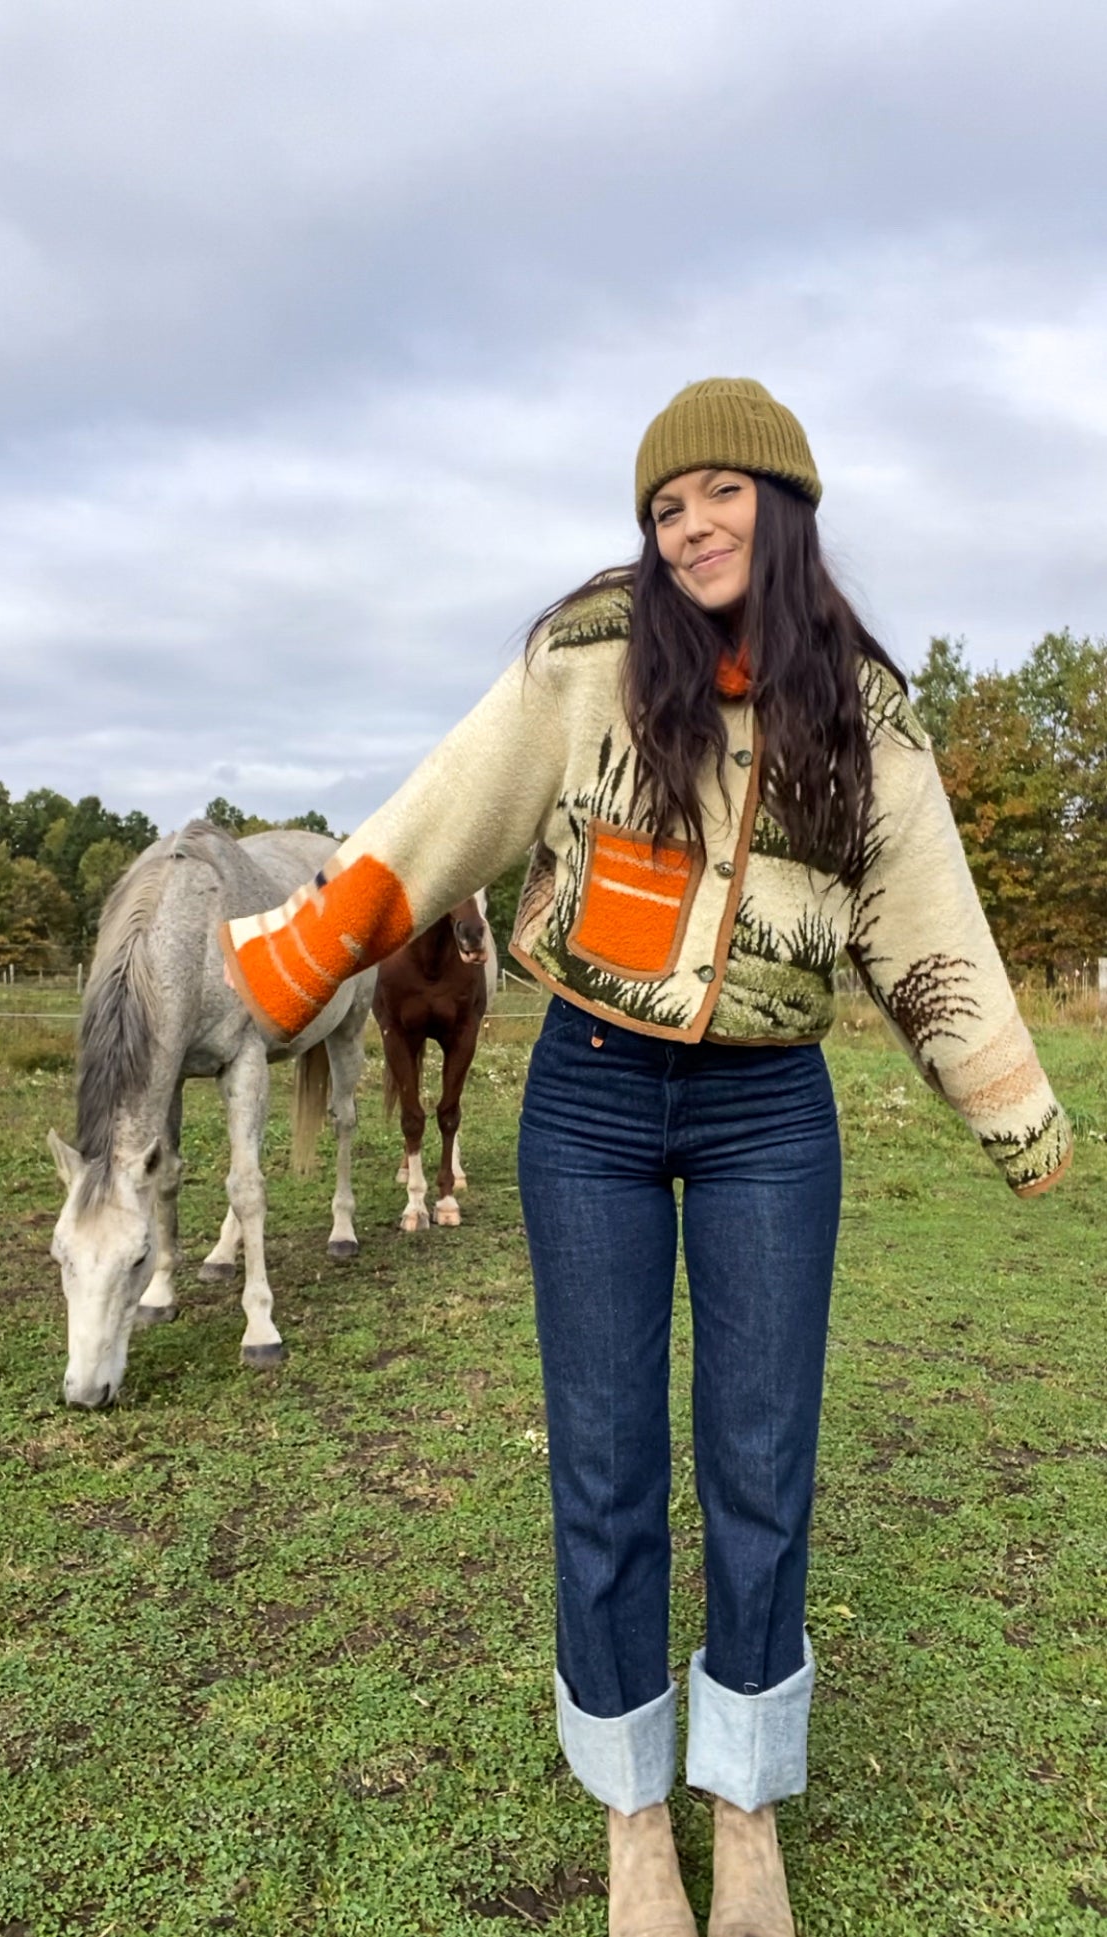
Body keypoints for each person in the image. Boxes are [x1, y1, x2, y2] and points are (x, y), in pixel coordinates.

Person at [219, 378, 1071, 1937]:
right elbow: (448, 813)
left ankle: (741, 1801)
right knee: (604, 1465)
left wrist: (1004, 1103)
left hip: (768, 1114)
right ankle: (633, 1814)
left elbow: (927, 924)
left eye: (716, 494)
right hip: (591, 1101)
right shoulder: (585, 661)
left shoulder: (865, 714)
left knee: (760, 1462)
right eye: (663, 507)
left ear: (783, 504)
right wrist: (313, 940)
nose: (687, 526)